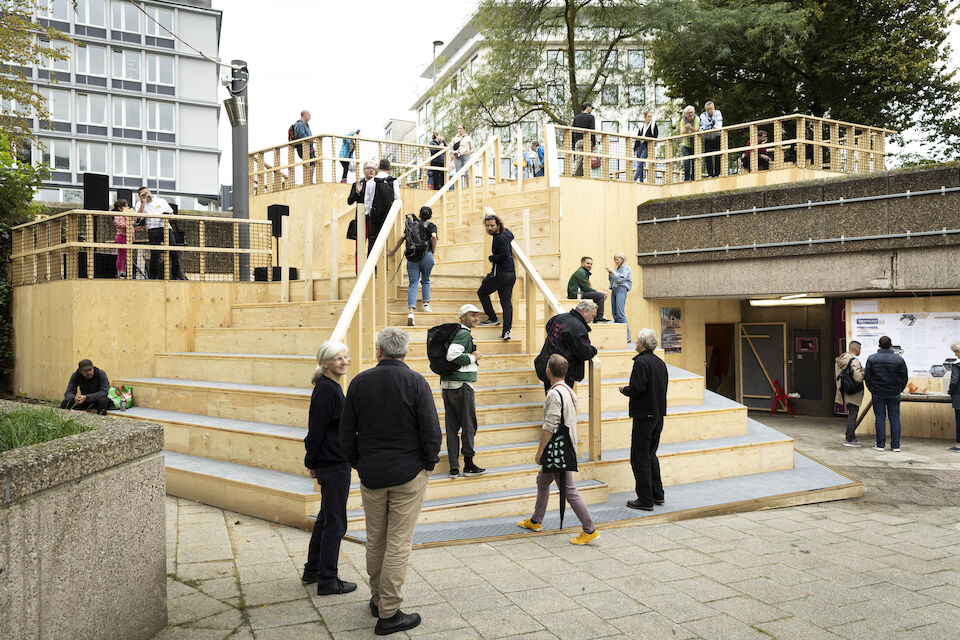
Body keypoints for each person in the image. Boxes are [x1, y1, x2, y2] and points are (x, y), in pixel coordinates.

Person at [339, 327, 441, 636]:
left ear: (379, 351)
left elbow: (346, 432)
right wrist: (428, 463)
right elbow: (431, 430)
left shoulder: (359, 382)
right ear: (405, 352)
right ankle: (389, 612)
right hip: (408, 473)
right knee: (398, 543)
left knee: (377, 539)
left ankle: (377, 600)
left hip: (372, 472)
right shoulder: (415, 382)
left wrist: (357, 462)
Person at [517, 354, 599, 545]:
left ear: (548, 370)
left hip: (557, 450)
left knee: (568, 490)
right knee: (542, 480)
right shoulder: (569, 391)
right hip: (566, 445)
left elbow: (550, 425)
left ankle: (590, 529)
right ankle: (536, 520)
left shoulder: (553, 394)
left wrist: (540, 452)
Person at [302, 341, 357, 596]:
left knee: (325, 519)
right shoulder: (327, 391)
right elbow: (316, 431)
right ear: (325, 363)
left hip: (333, 462)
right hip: (333, 464)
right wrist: (311, 462)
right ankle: (328, 580)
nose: (344, 361)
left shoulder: (331, 387)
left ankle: (313, 570)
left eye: (345, 357)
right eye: (338, 358)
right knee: (335, 523)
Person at [620, 329, 669, 511]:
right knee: (651, 455)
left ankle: (645, 499)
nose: (635, 344)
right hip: (658, 415)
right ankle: (658, 494)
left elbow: (637, 388)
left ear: (641, 344)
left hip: (644, 416)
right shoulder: (659, 362)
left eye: (637, 341)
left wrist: (625, 390)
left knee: (639, 458)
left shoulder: (641, 362)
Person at [440, 304, 486, 478]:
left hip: (447, 386)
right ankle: (468, 464)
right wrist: (473, 357)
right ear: (462, 317)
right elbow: (452, 355)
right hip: (462, 386)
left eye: (476, 315)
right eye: (472, 315)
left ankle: (454, 467)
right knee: (469, 424)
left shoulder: (455, 333)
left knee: (452, 427)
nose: (475, 318)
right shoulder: (463, 333)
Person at [387, 206, 438, 326]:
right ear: (430, 215)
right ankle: (426, 305)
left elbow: (403, 238)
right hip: (427, 256)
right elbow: (434, 237)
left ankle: (411, 312)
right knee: (425, 280)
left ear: (419, 215)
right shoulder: (431, 226)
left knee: (413, 283)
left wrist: (393, 251)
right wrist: (433, 252)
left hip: (412, 257)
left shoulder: (412, 225)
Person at [534, 300, 599, 393]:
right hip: (563, 372)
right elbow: (585, 352)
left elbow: (548, 327)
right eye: (593, 316)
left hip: (547, 364)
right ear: (585, 311)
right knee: (561, 402)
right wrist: (594, 350)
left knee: (551, 398)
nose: (593, 319)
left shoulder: (559, 317)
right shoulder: (578, 328)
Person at [864, 335, 909, 452]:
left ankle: (880, 445)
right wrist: (900, 388)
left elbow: (867, 377)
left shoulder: (872, 358)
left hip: (878, 392)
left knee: (880, 418)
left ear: (879, 345)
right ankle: (895, 446)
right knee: (895, 418)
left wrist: (872, 389)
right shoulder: (899, 359)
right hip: (894, 392)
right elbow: (904, 377)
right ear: (891, 345)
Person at [476, 213, 516, 341]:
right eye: (487, 226)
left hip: (500, 274)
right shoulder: (506, 234)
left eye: (492, 225)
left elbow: (504, 255)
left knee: (482, 292)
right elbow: (512, 235)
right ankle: (506, 331)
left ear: (498, 225)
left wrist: (492, 257)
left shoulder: (498, 238)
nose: (489, 228)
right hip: (511, 274)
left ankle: (493, 318)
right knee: (506, 303)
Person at [137, 186, 183, 280]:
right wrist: (143, 203)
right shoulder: (139, 203)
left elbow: (171, 214)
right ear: (140, 196)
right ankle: (154, 276)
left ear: (150, 192)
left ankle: (176, 275)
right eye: (143, 194)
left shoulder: (161, 201)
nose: (146, 195)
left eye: (147, 192)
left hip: (166, 227)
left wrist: (167, 215)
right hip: (153, 228)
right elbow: (139, 218)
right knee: (155, 252)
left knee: (173, 251)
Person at [364, 159, 401, 255]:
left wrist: (368, 213)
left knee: (373, 240)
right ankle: (386, 264)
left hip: (375, 214)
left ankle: (373, 267)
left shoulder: (370, 182)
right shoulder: (393, 180)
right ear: (389, 168)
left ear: (379, 168)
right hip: (389, 214)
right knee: (387, 239)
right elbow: (397, 198)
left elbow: (367, 202)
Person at [835, 341, 865, 447]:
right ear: (856, 349)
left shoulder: (842, 359)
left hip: (844, 390)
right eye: (860, 349)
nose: (860, 351)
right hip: (853, 392)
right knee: (853, 415)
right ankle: (849, 439)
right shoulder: (854, 361)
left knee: (851, 414)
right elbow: (858, 378)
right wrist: (863, 373)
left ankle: (850, 437)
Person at [566, 257, 611, 323]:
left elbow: (586, 288)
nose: (590, 265)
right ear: (582, 263)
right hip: (576, 294)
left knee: (597, 295)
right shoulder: (581, 272)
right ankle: (598, 318)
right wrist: (598, 292)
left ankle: (595, 316)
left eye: (591, 264)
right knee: (600, 296)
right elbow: (586, 288)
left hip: (579, 293)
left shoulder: (584, 272)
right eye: (587, 263)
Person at [606, 253, 633, 342]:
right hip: (614, 289)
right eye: (615, 260)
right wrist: (610, 274)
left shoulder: (626, 267)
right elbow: (612, 280)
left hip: (621, 289)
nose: (616, 261)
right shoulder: (617, 269)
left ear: (622, 259)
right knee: (615, 313)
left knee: (620, 313)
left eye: (617, 259)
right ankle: (620, 336)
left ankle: (627, 337)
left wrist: (613, 272)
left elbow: (621, 279)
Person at [571, 103, 596, 177]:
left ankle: (572, 172)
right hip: (587, 140)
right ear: (587, 107)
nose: (591, 110)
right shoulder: (591, 117)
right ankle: (587, 175)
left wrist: (573, 143)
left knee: (577, 159)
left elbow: (572, 131)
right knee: (587, 158)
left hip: (578, 141)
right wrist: (593, 143)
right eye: (591, 108)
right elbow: (592, 130)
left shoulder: (576, 118)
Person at [699, 101, 723, 178]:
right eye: (707, 109)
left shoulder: (718, 113)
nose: (709, 111)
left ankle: (717, 174)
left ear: (714, 108)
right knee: (707, 156)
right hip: (708, 138)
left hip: (717, 137)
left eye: (710, 109)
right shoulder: (702, 115)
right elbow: (702, 128)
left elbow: (718, 126)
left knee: (717, 156)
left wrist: (708, 130)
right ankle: (710, 174)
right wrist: (708, 130)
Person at [633, 111, 658, 182]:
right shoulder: (642, 126)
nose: (650, 118)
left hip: (647, 146)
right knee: (640, 164)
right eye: (648, 116)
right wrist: (635, 148)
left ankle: (633, 179)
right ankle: (641, 181)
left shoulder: (653, 125)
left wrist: (647, 138)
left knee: (641, 162)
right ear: (645, 117)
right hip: (639, 146)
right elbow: (638, 137)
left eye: (651, 116)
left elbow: (655, 136)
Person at [677, 105, 699, 182]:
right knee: (686, 162)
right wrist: (686, 129)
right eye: (688, 113)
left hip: (695, 144)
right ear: (685, 114)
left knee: (694, 162)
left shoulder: (696, 118)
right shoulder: (683, 121)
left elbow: (697, 130)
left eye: (691, 112)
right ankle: (686, 179)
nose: (690, 114)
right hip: (686, 144)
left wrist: (690, 128)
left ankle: (693, 178)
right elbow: (681, 133)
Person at [450, 124, 475, 188]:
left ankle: (469, 188)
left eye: (461, 128)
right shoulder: (455, 138)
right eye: (458, 128)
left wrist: (470, 152)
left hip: (466, 156)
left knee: (467, 173)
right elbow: (450, 148)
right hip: (457, 157)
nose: (459, 130)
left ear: (464, 129)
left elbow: (473, 148)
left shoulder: (468, 138)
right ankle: (459, 189)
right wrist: (453, 152)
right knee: (458, 174)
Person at [112, 199, 130, 279]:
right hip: (121, 237)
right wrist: (130, 222)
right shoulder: (118, 216)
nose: (128, 208)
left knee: (126, 256)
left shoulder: (126, 215)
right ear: (120, 208)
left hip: (127, 237)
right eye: (126, 206)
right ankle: (120, 273)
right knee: (121, 256)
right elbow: (121, 225)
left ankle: (125, 272)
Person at [948, 341, 960, 452]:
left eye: (956, 352)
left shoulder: (957, 366)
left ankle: (959, 445)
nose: (955, 354)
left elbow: (954, 381)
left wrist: (950, 391)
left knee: (959, 421)